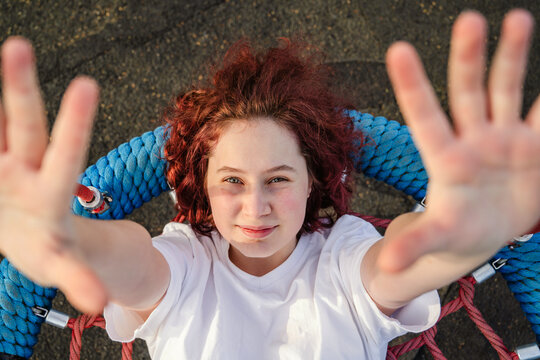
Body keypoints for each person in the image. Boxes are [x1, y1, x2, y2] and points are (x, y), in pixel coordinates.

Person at [0, 8, 539, 359]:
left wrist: (457, 232)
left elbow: (402, 262)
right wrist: (70, 239)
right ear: (203, 186)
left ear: (311, 182)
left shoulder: (343, 258)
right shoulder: (190, 263)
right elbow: (134, 263)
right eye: (232, 179)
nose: (255, 206)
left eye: (278, 178)